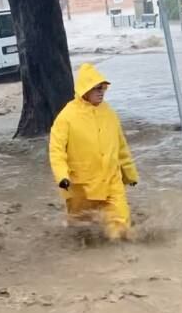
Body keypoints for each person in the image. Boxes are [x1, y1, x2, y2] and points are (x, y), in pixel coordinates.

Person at [49, 63, 139, 241]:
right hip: (80, 185)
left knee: (120, 226)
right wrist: (62, 176)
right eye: (97, 88)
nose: (101, 92)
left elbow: (121, 147)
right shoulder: (66, 117)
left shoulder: (110, 113)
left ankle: (124, 259)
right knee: (81, 227)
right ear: (85, 89)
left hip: (111, 180)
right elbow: (56, 150)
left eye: (103, 88)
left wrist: (129, 174)